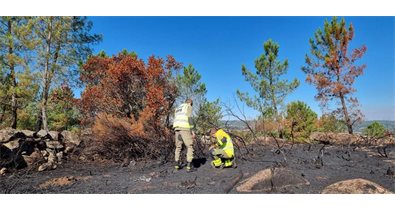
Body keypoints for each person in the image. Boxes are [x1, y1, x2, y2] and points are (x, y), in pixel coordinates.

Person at [173, 98, 195, 172]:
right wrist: (192, 131)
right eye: (192, 104)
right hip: (185, 128)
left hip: (177, 129)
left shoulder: (178, 108)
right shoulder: (188, 106)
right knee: (190, 146)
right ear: (190, 103)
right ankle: (189, 166)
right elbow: (189, 118)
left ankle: (176, 165)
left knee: (178, 147)